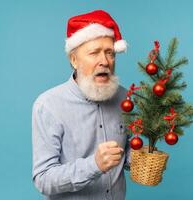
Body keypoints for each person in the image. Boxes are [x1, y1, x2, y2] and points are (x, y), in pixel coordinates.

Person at [32, 10, 130, 200]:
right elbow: (43, 179)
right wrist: (94, 165)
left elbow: (125, 155)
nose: (104, 61)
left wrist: (143, 156)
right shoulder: (48, 105)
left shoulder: (125, 98)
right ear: (74, 60)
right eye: (94, 53)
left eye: (110, 53)